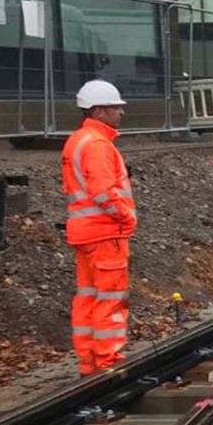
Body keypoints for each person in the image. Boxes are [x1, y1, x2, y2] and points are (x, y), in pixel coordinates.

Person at [62, 80, 138, 376]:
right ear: (99, 110)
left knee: (88, 297)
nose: (121, 112)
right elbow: (103, 191)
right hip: (106, 232)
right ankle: (108, 362)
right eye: (116, 107)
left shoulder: (77, 140)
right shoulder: (97, 144)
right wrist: (125, 217)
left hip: (84, 232)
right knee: (110, 298)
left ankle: (89, 363)